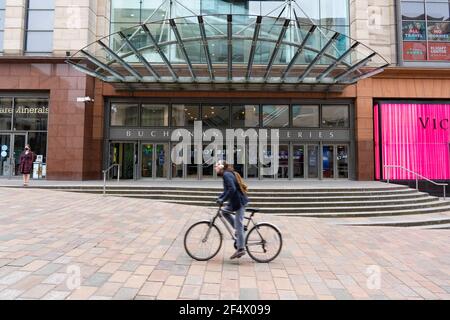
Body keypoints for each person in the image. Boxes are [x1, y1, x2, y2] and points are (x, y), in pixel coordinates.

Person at [215, 160, 249, 260]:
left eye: (216, 166)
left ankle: (241, 248)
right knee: (224, 212)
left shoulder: (226, 175)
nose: (215, 168)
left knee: (239, 224)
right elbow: (227, 190)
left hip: (239, 202)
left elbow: (232, 189)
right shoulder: (226, 174)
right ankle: (239, 231)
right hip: (234, 201)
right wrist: (220, 197)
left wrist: (222, 199)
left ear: (221, 167)